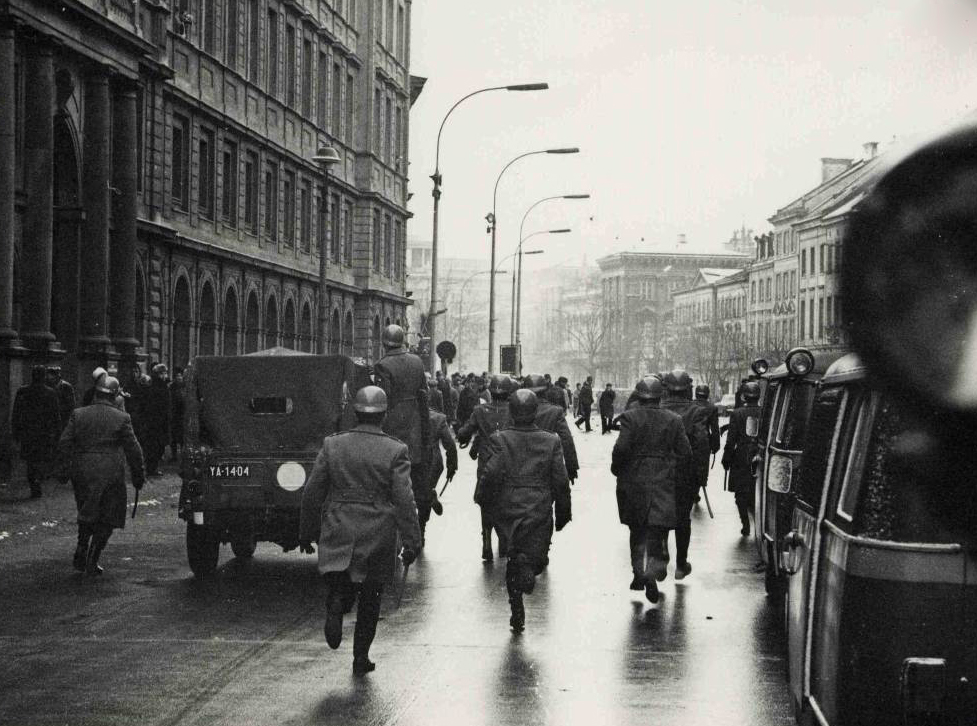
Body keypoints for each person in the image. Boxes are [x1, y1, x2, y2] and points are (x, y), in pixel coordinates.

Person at [298, 386, 421, 676]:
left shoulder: (333, 445)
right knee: (371, 595)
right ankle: (360, 658)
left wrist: (306, 531)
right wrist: (413, 540)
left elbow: (312, 491)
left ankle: (336, 602)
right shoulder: (396, 450)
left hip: (338, 521)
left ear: (354, 412)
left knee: (340, 576)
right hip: (377, 529)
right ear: (385, 415)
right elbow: (404, 499)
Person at [478, 389, 571, 632]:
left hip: (507, 508)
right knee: (537, 557)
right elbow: (560, 481)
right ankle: (527, 570)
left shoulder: (500, 438)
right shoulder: (551, 440)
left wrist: (484, 500)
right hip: (538, 507)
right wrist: (563, 511)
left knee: (513, 557)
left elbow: (491, 473)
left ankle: (516, 606)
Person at [611, 377, 691, 602]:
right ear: (660, 396)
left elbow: (621, 449)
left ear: (638, 395)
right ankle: (652, 572)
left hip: (633, 482)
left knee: (636, 531)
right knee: (658, 531)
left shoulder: (629, 418)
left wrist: (617, 469)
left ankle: (638, 574)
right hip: (663, 482)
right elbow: (685, 453)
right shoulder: (674, 420)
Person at [57, 376, 145, 574]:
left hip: (82, 470)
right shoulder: (121, 418)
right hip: (110, 471)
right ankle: (93, 556)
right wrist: (139, 475)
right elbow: (133, 449)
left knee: (87, 508)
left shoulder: (78, 414)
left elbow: (64, 443)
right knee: (109, 515)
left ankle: (81, 544)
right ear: (114, 395)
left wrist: (64, 468)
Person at [657, 369, 708, 581]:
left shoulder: (657, 409)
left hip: (659, 474)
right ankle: (680, 564)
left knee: (659, 516)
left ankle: (662, 556)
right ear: (688, 388)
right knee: (682, 520)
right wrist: (701, 476)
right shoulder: (696, 412)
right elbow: (702, 444)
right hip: (685, 474)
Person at [456, 374, 514, 560]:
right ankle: (504, 540)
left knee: (485, 501)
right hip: (508, 462)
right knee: (506, 500)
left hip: (486, 463)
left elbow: (464, 433)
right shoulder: (514, 411)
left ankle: (486, 539)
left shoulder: (480, 410)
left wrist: (464, 437)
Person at [373, 324, 431, 489]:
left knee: (392, 472)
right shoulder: (417, 361)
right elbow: (423, 395)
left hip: (393, 424)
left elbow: (383, 400)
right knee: (413, 472)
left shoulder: (382, 365)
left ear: (384, 343)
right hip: (415, 422)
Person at [11, 365, 62, 499]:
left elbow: (16, 413)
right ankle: (37, 481)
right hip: (44, 433)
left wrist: (16, 431)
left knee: (31, 461)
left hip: (28, 432)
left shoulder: (23, 391)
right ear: (44, 376)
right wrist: (57, 433)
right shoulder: (50, 393)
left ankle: (34, 483)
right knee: (41, 459)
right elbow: (55, 415)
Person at [523, 375, 579, 484]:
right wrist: (571, 467)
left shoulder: (515, 410)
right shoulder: (555, 411)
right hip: (546, 464)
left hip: (520, 465)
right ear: (545, 391)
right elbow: (567, 439)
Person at [722, 381, 762, 536]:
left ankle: (745, 523)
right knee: (756, 490)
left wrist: (726, 458)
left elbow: (731, 439)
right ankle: (758, 524)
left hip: (741, 457)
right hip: (760, 454)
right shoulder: (765, 411)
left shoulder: (737, 413)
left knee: (740, 493)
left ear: (744, 396)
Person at [420, 394, 457, 546]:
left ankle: (414, 529)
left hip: (410, 459)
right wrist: (451, 466)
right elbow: (450, 444)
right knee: (425, 493)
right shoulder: (438, 418)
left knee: (413, 494)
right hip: (432, 462)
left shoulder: (404, 416)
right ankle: (421, 528)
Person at [142, 364, 171, 476]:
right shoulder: (155, 386)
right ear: (157, 374)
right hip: (155, 422)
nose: (165, 375)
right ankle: (151, 468)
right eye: (162, 373)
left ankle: (152, 467)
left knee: (159, 446)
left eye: (165, 373)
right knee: (154, 446)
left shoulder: (163, 385)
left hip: (161, 421)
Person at [692, 384, 721, 466]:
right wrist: (715, 446)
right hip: (704, 444)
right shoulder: (712, 408)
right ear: (707, 394)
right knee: (702, 473)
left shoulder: (690, 405)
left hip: (690, 442)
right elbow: (715, 429)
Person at [45, 366, 76, 433]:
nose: (49, 378)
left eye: (52, 375)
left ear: (57, 376)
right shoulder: (47, 386)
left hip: (63, 420)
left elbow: (71, 405)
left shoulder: (67, 387)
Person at [169, 367, 186, 462]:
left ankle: (183, 455)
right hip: (174, 415)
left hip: (182, 415)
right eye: (177, 376)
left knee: (182, 437)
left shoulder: (185, 387)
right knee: (174, 437)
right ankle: (174, 455)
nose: (179, 377)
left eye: (180, 375)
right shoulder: (171, 387)